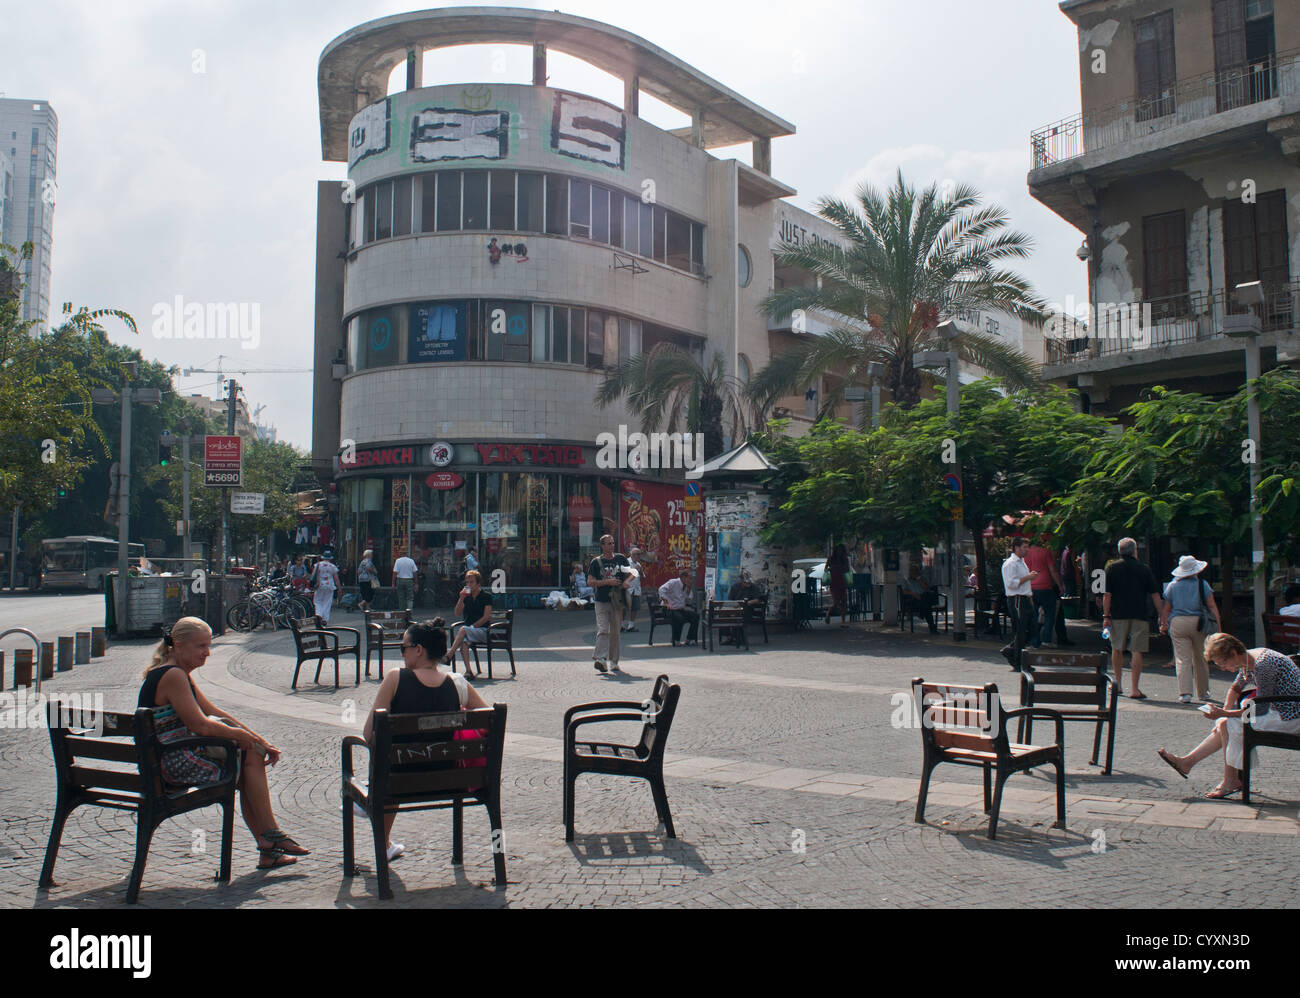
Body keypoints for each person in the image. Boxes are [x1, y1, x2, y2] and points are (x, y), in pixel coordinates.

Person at [139, 617, 308, 869]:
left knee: (251, 756)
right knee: (250, 764)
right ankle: (270, 838)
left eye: (208, 646)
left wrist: (259, 740)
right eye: (201, 646)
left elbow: (215, 712)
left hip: (164, 760)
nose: (207, 653)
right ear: (178, 645)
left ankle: (270, 843)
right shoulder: (173, 675)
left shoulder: (174, 672)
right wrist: (247, 739)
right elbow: (202, 725)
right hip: (171, 764)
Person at [362, 618, 489, 861]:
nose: (402, 654)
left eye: (403, 648)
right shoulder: (458, 683)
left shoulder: (395, 678)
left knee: (393, 762)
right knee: (398, 763)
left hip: (398, 781)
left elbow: (368, 734)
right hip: (451, 779)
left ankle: (380, 833)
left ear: (418, 650)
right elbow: (488, 720)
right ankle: (385, 840)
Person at [1157, 632, 1300, 799]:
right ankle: (1190, 763)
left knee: (1228, 724)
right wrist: (1223, 713)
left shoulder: (1262, 665)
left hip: (1290, 716)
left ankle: (1229, 779)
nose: (1223, 668)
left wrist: (1224, 714)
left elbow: (1260, 708)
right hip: (1282, 710)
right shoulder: (1249, 658)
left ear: (1233, 653)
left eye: (1223, 663)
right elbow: (1236, 688)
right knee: (1225, 723)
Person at [1103, 536, 1167, 699]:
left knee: (1117, 648)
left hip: (1118, 615)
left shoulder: (1112, 568)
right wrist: (1162, 615)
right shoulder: (1144, 568)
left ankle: (1117, 684)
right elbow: (1155, 595)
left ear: (1119, 551)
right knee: (1137, 650)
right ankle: (1135, 689)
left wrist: (1106, 615)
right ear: (1135, 551)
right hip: (1139, 614)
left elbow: (1107, 595)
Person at [1159, 555, 1221, 704]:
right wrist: (1218, 625)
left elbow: (1166, 608)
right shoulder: (1202, 584)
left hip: (1178, 622)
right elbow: (1211, 605)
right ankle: (1203, 692)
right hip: (1199, 622)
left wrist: (1163, 624)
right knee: (1201, 657)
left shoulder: (1173, 585)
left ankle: (1185, 693)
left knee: (1182, 659)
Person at [589, 534, 633, 672]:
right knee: (603, 629)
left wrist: (627, 581)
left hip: (617, 601)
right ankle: (601, 659)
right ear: (602, 546)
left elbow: (633, 573)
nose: (611, 545)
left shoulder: (621, 559)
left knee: (615, 632)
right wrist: (607, 582)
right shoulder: (596, 562)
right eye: (608, 543)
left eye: (613, 543)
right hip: (601, 600)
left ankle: (614, 661)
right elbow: (590, 582)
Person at [1000, 537, 1037, 671]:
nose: (1027, 550)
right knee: (1020, 629)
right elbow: (1011, 583)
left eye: (1027, 547)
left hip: (1025, 598)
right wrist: (1029, 577)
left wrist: (1030, 598)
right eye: (1024, 547)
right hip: (1016, 599)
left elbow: (1024, 584)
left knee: (1033, 628)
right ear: (1016, 548)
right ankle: (1018, 660)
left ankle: (1011, 650)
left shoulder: (1022, 562)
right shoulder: (1011, 563)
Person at [448, 570, 493, 673]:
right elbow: (457, 613)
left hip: (482, 630)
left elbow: (486, 617)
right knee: (464, 643)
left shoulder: (486, 596)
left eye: (471, 582)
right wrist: (461, 598)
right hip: (468, 632)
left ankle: (450, 654)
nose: (468, 585)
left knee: (463, 629)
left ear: (478, 583)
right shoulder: (466, 597)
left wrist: (472, 627)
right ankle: (468, 671)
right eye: (467, 582)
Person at [1024, 539, 1062, 648]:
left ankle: (1034, 642)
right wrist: (1060, 585)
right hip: (1046, 586)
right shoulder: (1046, 552)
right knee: (1050, 614)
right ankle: (1046, 639)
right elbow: (1053, 570)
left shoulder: (1026, 553)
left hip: (1031, 588)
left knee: (1034, 615)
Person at [658, 567, 699, 648]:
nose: (691, 580)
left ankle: (690, 638)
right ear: (683, 577)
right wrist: (666, 602)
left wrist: (689, 588)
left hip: (680, 609)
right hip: (669, 609)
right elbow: (661, 589)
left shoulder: (686, 586)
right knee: (678, 617)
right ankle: (676, 639)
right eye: (689, 578)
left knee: (695, 616)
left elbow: (689, 598)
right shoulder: (674, 582)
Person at [725, 571, 765, 645]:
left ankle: (738, 638)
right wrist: (734, 606)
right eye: (746, 582)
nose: (748, 584)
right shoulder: (735, 587)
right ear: (741, 580)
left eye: (749, 582)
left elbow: (757, 599)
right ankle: (730, 637)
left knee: (739, 615)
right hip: (736, 609)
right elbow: (730, 600)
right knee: (724, 615)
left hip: (748, 610)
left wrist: (747, 603)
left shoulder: (754, 588)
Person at [901, 561, 940, 635]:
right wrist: (913, 594)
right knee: (927, 606)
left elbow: (926, 587)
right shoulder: (906, 580)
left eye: (915, 570)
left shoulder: (922, 578)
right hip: (913, 600)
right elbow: (904, 591)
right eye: (912, 570)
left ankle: (923, 615)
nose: (913, 572)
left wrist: (919, 579)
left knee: (925, 601)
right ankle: (932, 627)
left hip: (923, 598)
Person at [824, 544, 851, 627]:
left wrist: (841, 566)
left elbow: (847, 569)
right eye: (838, 550)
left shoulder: (845, 559)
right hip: (834, 582)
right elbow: (825, 569)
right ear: (835, 551)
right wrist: (831, 568)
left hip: (842, 582)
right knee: (836, 602)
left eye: (841, 550)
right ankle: (828, 613)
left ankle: (843, 621)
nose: (840, 552)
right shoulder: (831, 559)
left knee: (843, 602)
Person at [310, 551, 340, 622]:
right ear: (330, 558)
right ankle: (325, 619)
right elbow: (336, 578)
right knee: (327, 602)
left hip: (319, 585)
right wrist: (339, 588)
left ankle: (319, 614)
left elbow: (313, 575)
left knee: (317, 601)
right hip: (329, 586)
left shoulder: (317, 565)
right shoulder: (332, 566)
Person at [623, 548, 645, 632]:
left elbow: (642, 577)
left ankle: (631, 625)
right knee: (624, 608)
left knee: (634, 608)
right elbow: (624, 576)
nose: (638, 556)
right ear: (631, 554)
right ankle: (621, 625)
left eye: (639, 554)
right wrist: (634, 569)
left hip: (636, 589)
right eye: (637, 554)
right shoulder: (626, 562)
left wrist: (641, 571)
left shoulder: (639, 564)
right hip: (628, 589)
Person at [357, 549, 379, 613]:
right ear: (368, 555)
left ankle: (367, 608)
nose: (372, 555)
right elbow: (368, 567)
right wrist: (374, 571)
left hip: (362, 579)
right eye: (371, 554)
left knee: (365, 593)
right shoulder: (369, 561)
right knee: (370, 593)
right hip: (369, 579)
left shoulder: (362, 562)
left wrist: (359, 578)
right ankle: (361, 604)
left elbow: (359, 571)